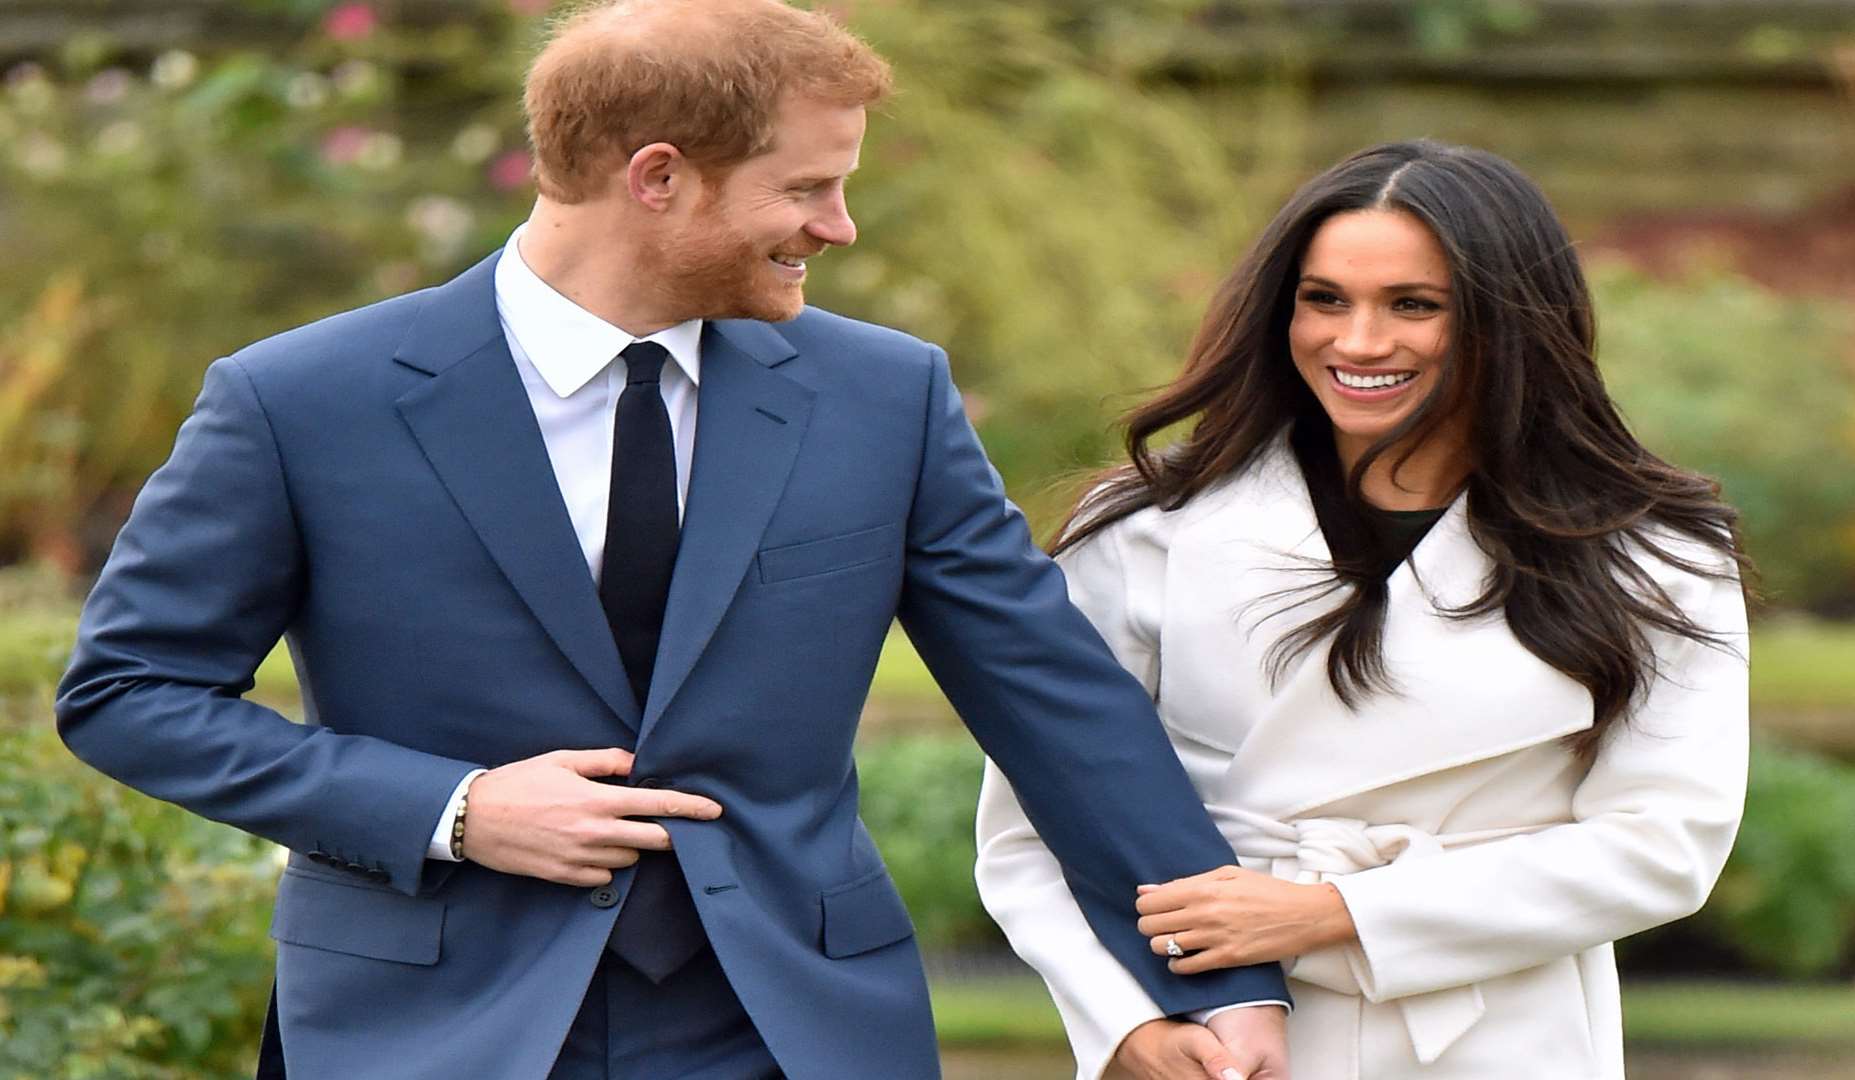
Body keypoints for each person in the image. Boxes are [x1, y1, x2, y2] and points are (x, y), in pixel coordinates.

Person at [53, 2, 1293, 1077]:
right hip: (430, 1025)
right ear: (659, 177)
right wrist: (454, 807)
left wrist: (1210, 983)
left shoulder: (885, 397)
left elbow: (1054, 698)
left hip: (789, 1027)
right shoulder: (302, 399)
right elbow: (128, 692)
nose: (840, 226)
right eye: (807, 188)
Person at [976, 139, 1750, 1079]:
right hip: (1217, 1032)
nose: (1357, 343)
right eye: (1325, 299)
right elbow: (1036, 824)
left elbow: (1665, 845)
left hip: (1496, 1038)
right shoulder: (1147, 531)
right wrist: (1126, 1027)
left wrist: (1332, 914)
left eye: (1414, 306)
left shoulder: (1653, 553)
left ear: (1510, 323)